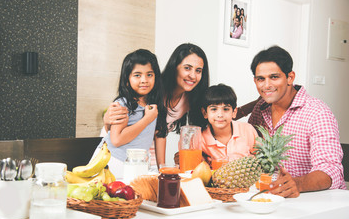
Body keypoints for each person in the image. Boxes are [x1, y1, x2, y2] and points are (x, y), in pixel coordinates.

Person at [103, 43, 258, 166]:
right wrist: (106, 120)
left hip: (145, 152)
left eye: (198, 70)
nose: (192, 75)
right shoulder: (153, 90)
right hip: (121, 148)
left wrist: (256, 103)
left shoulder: (192, 98)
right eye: (187, 68)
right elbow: (123, 126)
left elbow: (220, 115)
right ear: (174, 67)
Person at [248, 45, 346, 198]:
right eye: (261, 79)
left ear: (290, 77)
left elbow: (331, 170)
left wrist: (297, 184)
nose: (266, 85)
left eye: (274, 77)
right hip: (273, 198)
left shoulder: (318, 113)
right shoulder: (260, 109)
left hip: (318, 201)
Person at [93, 49, 167, 178]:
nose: (144, 80)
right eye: (137, 75)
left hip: (136, 165)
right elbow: (116, 140)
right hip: (111, 162)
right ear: (127, 79)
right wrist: (146, 120)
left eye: (149, 74)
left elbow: (160, 135)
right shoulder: (122, 105)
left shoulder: (155, 106)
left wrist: (163, 169)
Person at [198, 84, 258, 168]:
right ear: (205, 113)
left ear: (234, 112)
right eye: (214, 109)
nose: (220, 115)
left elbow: (261, 158)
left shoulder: (247, 130)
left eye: (226, 109)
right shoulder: (200, 139)